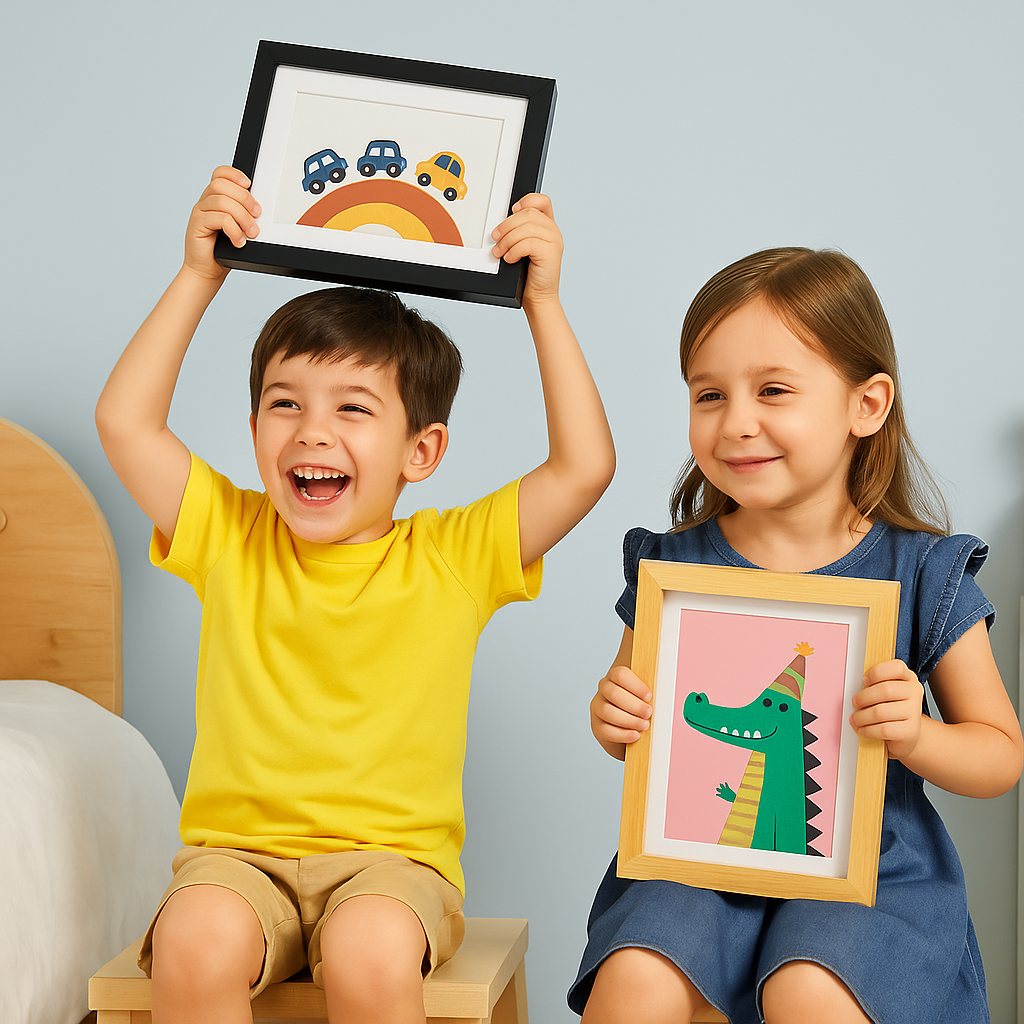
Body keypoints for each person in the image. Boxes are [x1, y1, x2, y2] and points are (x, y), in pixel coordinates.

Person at [96, 165, 614, 1024]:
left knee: (368, 950)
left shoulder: (453, 555)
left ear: (422, 451)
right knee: (192, 940)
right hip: (236, 862)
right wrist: (198, 276)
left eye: (353, 409)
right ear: (254, 428)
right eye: (285, 404)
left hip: (392, 870)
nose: (313, 432)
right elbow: (126, 422)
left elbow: (583, 468)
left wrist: (543, 305)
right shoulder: (230, 533)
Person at [571, 247, 1022, 1024]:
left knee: (810, 988)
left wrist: (917, 736)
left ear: (866, 405)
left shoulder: (924, 572)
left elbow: (999, 757)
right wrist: (613, 718)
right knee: (636, 977)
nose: (736, 422)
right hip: (701, 859)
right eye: (709, 394)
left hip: (872, 871)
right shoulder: (672, 567)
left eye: (773, 390)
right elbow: (628, 730)